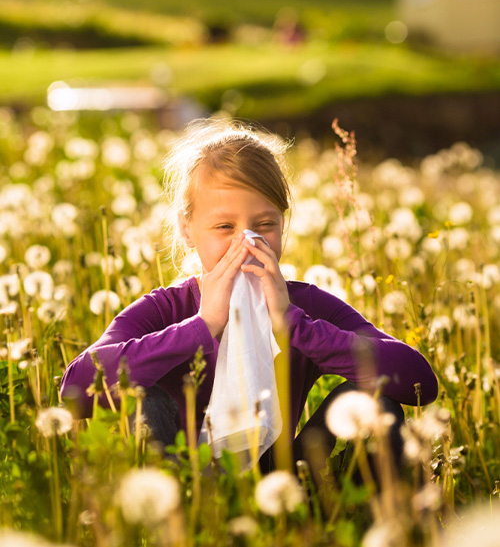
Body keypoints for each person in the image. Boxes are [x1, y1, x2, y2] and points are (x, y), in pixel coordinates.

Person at [60, 119, 438, 473]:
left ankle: (347, 522)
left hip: (281, 477)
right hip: (181, 480)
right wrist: (201, 326)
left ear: (283, 224)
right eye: (225, 226)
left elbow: (419, 382)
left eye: (264, 225)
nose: (247, 242)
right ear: (187, 229)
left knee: (378, 402)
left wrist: (294, 326)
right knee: (145, 401)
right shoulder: (165, 308)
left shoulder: (302, 306)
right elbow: (76, 388)